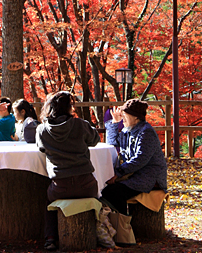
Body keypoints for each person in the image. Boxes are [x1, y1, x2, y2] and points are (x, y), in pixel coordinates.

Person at [35, 91, 101, 251]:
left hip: (60, 186)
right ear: (69, 107)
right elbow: (95, 140)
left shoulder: (42, 129)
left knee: (49, 201)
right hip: (86, 184)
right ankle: (99, 233)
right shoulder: (80, 124)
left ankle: (50, 238)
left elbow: (41, 148)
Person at [99, 98, 168, 216]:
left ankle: (123, 224)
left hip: (148, 177)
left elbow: (140, 159)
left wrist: (118, 173)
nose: (122, 117)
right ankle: (119, 222)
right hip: (132, 174)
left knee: (113, 192)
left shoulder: (146, 132)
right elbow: (113, 144)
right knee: (104, 189)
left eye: (125, 114)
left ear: (136, 117)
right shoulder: (128, 130)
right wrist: (114, 124)